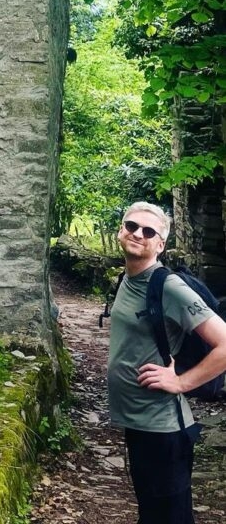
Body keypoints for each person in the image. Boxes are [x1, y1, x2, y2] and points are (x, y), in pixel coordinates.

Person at [107, 201, 226, 524]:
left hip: (163, 429)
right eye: (131, 226)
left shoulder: (169, 287)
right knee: (151, 514)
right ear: (122, 230)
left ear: (160, 244)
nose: (137, 234)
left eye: (149, 232)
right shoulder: (129, 279)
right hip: (138, 423)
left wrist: (181, 382)